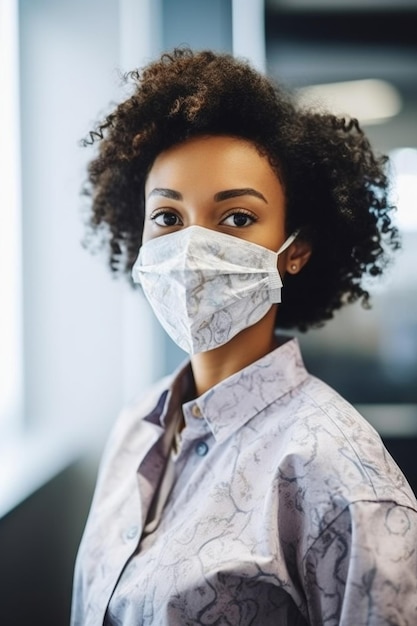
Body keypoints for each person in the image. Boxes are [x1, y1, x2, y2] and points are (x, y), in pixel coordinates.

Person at [71, 48, 417, 626]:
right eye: (167, 217)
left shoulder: (339, 474)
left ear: (296, 250)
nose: (191, 247)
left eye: (235, 218)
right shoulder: (136, 426)